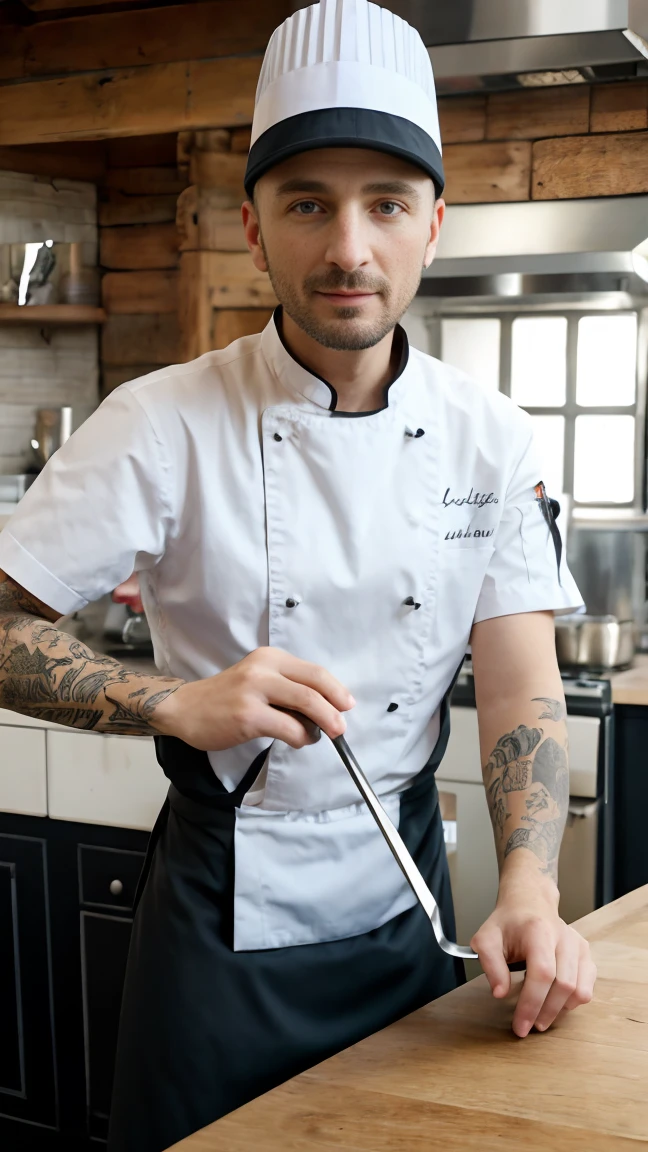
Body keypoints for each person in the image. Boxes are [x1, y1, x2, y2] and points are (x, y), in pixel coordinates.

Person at [0, 1, 596, 1149]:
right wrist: (174, 701)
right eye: (308, 203)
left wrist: (532, 889)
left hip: (408, 918)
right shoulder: (161, 422)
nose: (348, 249)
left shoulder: (492, 438)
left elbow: (522, 688)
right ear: (253, 226)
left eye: (385, 204)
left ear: (434, 223)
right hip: (216, 933)